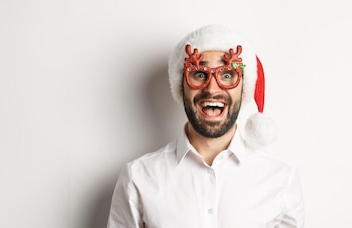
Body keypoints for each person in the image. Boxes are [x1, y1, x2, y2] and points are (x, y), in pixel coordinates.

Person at [107, 24, 304, 228]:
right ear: (181, 87)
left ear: (244, 89)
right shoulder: (138, 177)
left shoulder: (281, 179)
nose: (212, 88)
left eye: (227, 75)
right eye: (199, 74)